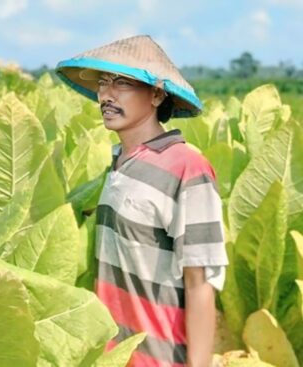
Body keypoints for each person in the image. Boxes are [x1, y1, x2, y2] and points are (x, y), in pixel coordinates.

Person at [55, 35, 229, 366]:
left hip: (163, 358)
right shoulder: (119, 162)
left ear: (157, 94)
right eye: (103, 84)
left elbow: (200, 284)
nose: (106, 95)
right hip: (114, 357)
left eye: (121, 83)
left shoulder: (187, 168)